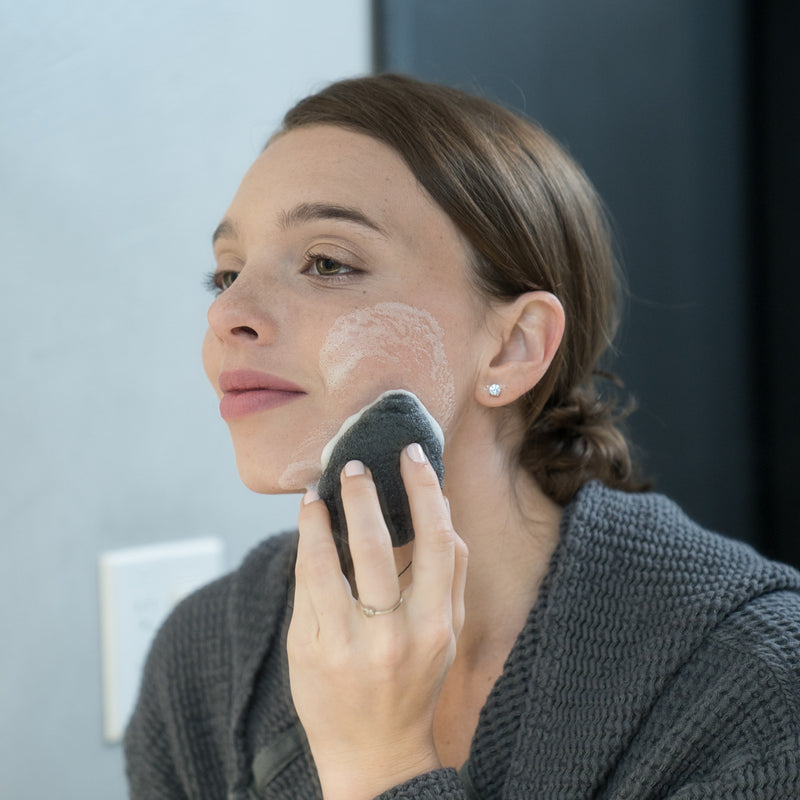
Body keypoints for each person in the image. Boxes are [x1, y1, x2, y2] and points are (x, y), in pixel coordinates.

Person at [124, 74, 800, 799]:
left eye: (327, 263)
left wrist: (378, 763)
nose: (229, 315)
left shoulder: (756, 680)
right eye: (225, 273)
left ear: (513, 347)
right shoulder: (205, 657)